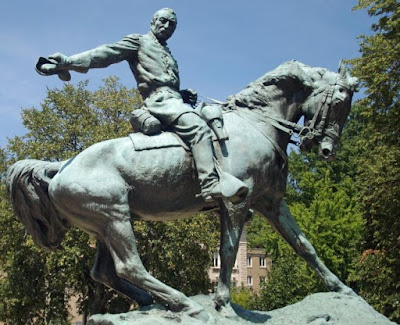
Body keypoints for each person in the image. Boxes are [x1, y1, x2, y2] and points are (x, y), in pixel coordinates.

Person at [36, 8, 247, 203]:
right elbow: (105, 53)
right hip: (159, 102)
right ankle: (210, 185)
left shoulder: (168, 53)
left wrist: (182, 94)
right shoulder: (139, 42)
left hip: (174, 101)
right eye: (163, 21)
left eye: (171, 25)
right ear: (153, 22)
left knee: (215, 124)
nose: (166, 26)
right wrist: (68, 62)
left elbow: (163, 81)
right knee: (198, 129)